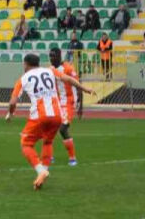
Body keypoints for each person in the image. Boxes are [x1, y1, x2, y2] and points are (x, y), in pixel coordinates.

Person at [5, 53, 93, 190]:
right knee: (48, 141)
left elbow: (12, 101)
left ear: (26, 64)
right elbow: (68, 79)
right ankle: (42, 176)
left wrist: (10, 114)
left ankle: (41, 170)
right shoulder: (50, 71)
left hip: (39, 116)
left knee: (26, 144)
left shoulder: (23, 78)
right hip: (57, 114)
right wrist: (84, 89)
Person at [49, 47, 83, 166]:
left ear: (59, 56)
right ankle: (50, 156)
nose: (51, 58)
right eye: (50, 56)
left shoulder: (68, 68)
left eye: (53, 56)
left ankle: (72, 158)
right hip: (57, 102)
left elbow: (78, 85)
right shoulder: (51, 69)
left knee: (63, 129)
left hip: (68, 102)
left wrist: (80, 106)